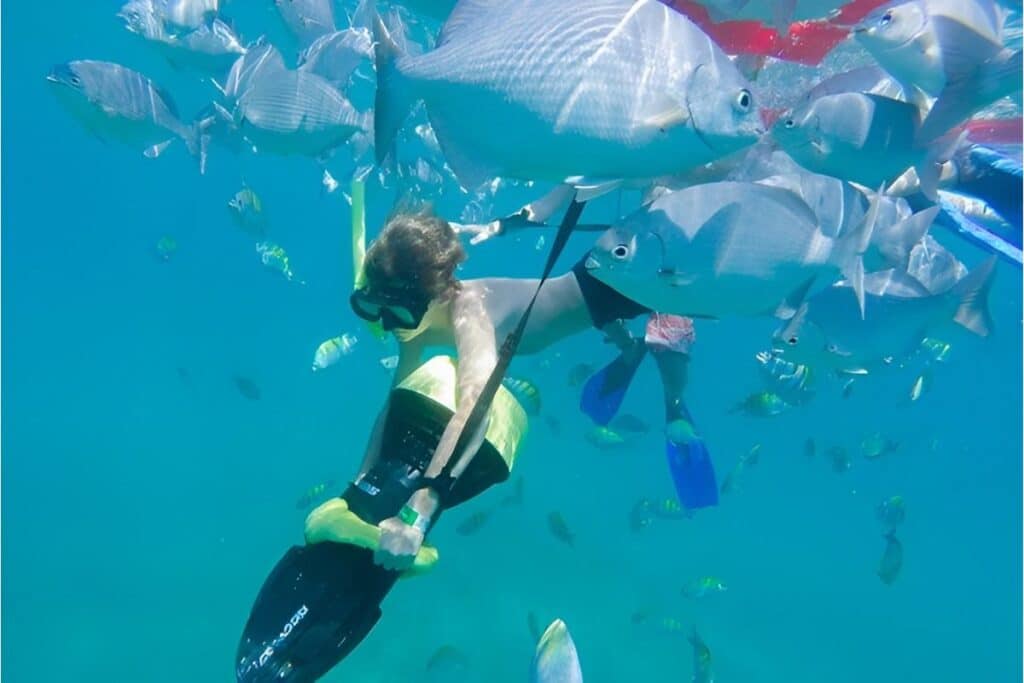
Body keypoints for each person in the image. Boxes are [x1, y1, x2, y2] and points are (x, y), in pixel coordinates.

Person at [345, 207, 715, 571]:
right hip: (592, 298)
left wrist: (419, 513)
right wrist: (358, 485)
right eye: (371, 308)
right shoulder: (410, 320)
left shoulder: (467, 308)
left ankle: (673, 393)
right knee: (596, 310)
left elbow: (477, 404)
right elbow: (393, 405)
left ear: (441, 294)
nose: (386, 323)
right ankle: (628, 345)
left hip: (621, 278)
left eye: (398, 314)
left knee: (680, 335)